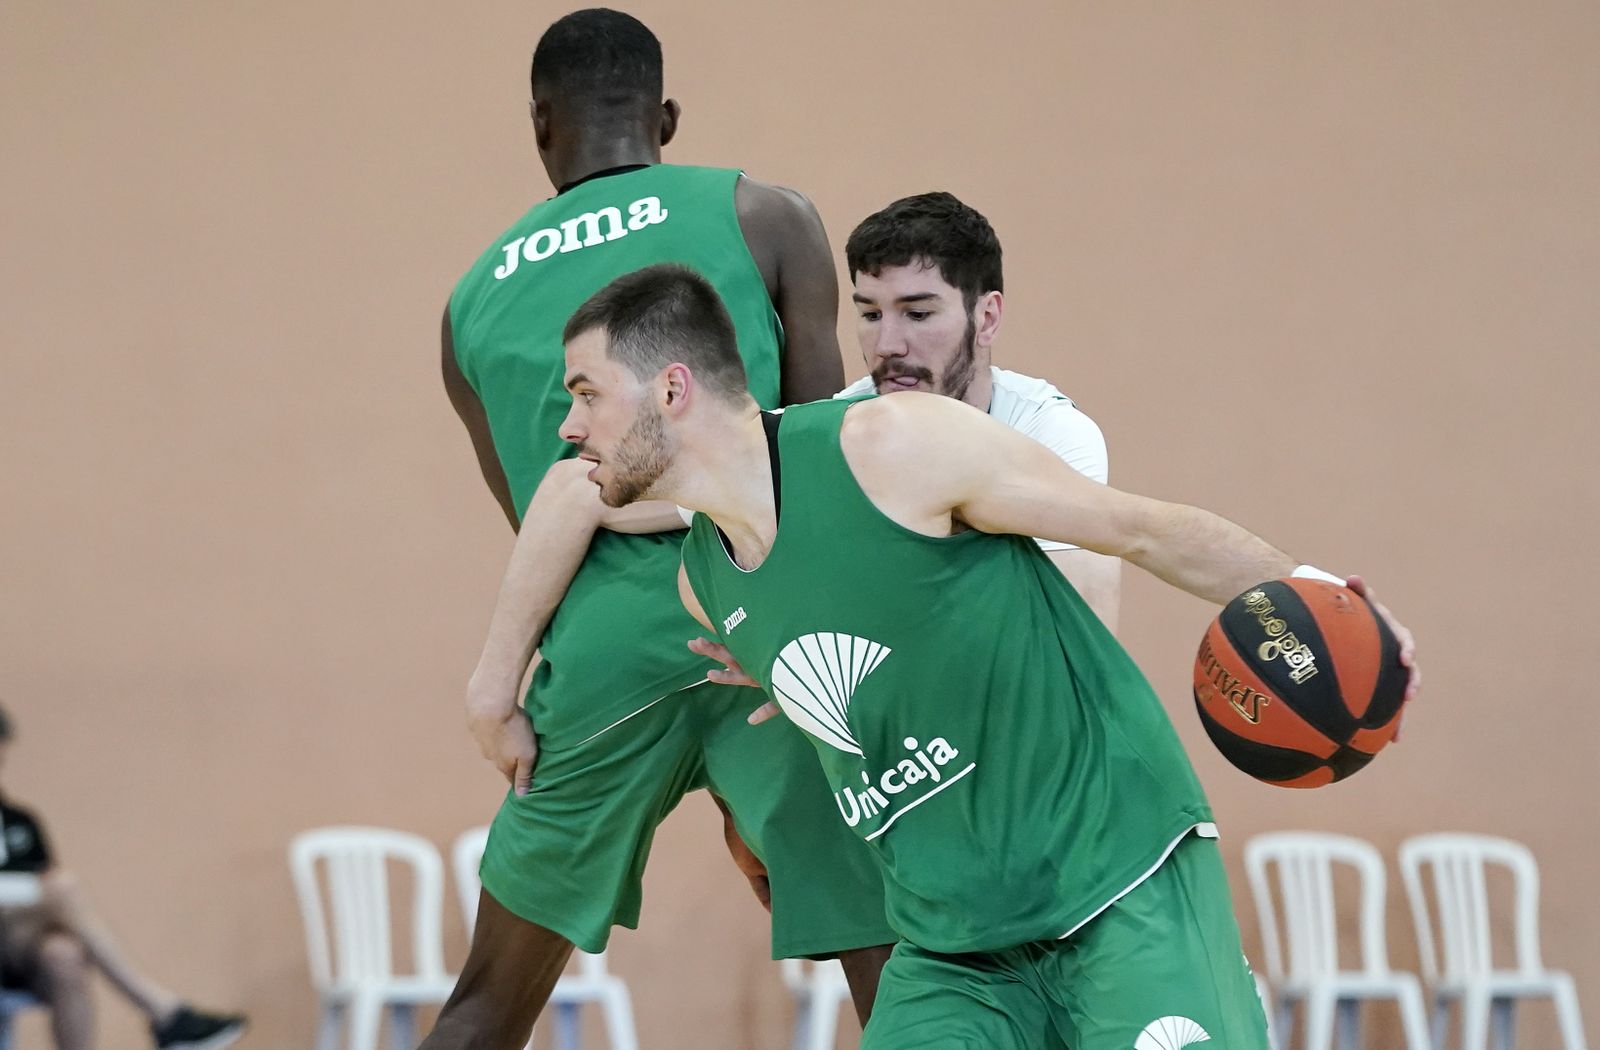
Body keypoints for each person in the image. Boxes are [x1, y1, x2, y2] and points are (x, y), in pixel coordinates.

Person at [552, 263, 1421, 1049]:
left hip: (1117, 879)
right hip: (954, 951)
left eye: (587, 393)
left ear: (671, 389)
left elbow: (1144, 531)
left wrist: (1328, 602)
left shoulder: (888, 448)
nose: (568, 425)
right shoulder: (706, 585)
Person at [429, 10, 893, 1045]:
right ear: (664, 116)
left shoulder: (467, 309)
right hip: (767, 634)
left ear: (539, 127)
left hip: (598, 650)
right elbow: (817, 456)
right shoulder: (765, 214)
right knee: (898, 969)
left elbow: (547, 507)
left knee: (484, 1004)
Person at [0, 706, 246, 1050]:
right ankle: (163, 1009)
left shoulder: (19, 821)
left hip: (15, 948)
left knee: (64, 954)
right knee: (64, 888)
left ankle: (162, 1017)